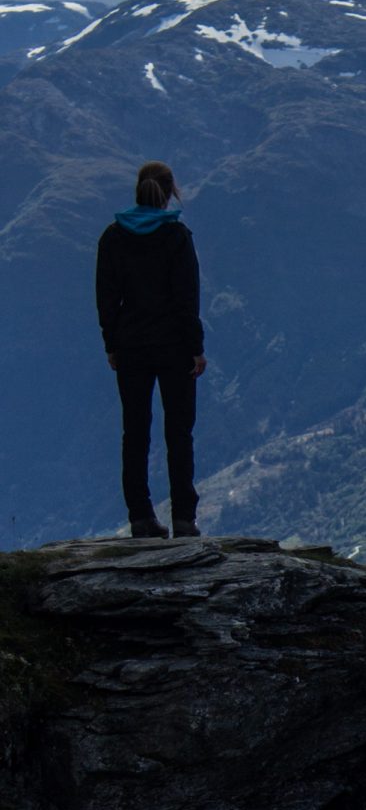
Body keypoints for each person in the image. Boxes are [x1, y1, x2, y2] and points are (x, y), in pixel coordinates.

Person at [96, 160, 207, 540]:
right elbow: (186, 298)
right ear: (170, 190)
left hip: (131, 348)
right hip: (174, 347)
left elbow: (107, 298)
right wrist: (196, 348)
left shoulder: (113, 236)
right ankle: (184, 520)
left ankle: (141, 518)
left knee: (135, 432)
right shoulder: (176, 236)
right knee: (179, 433)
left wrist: (111, 343)